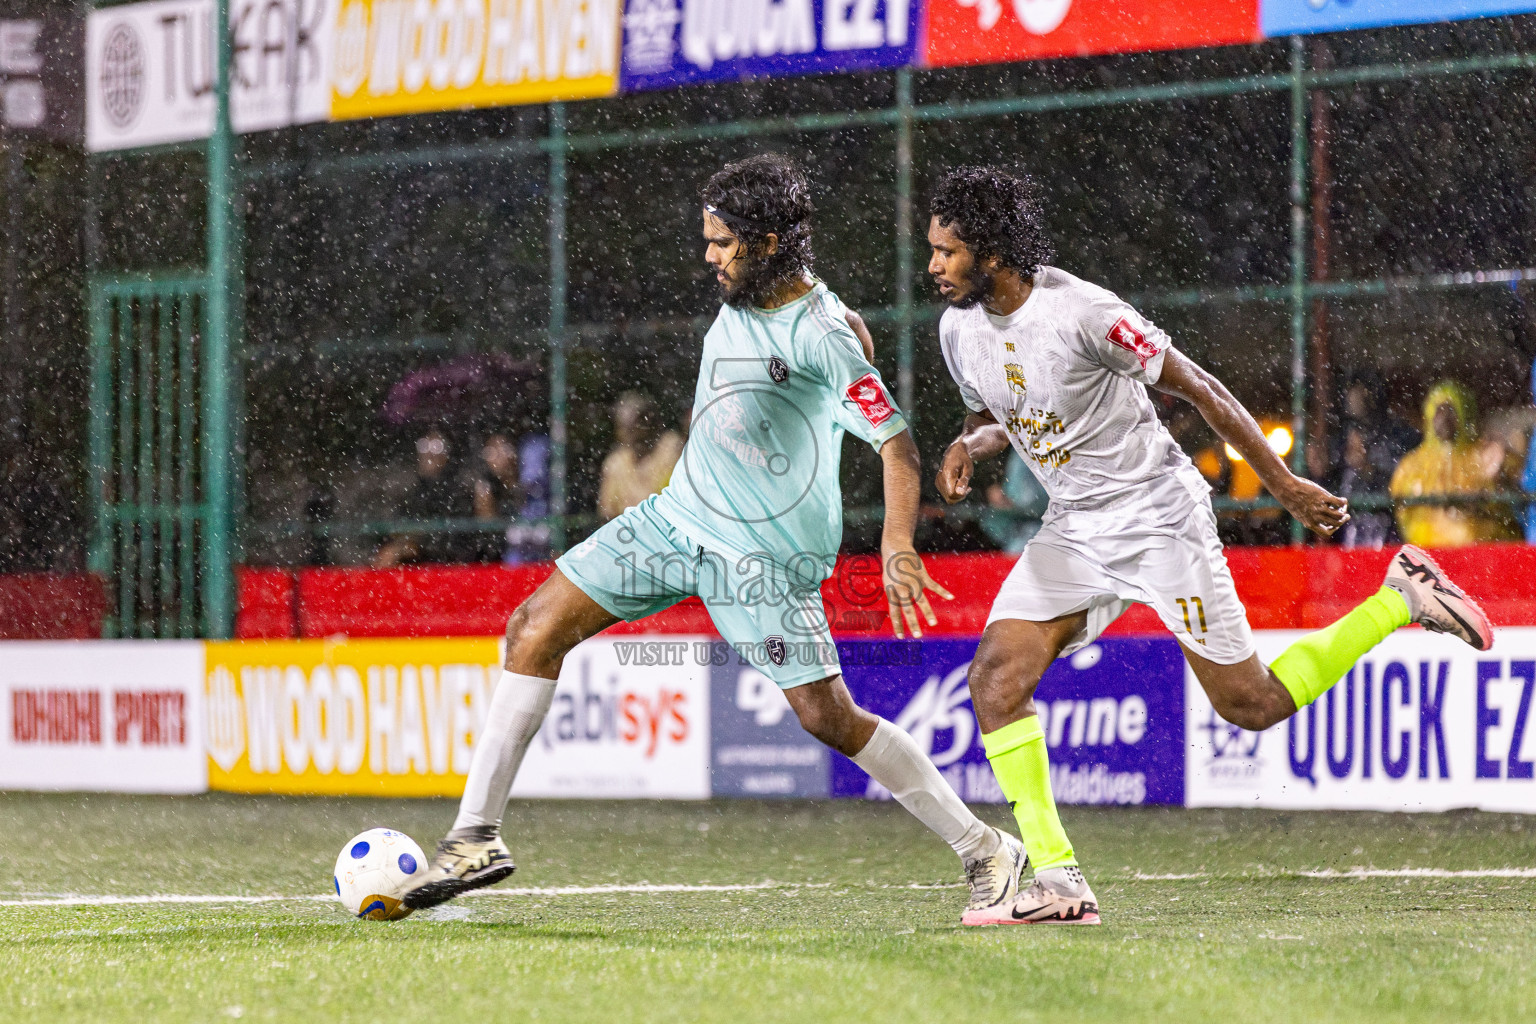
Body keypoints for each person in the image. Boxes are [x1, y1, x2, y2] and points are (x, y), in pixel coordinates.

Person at [403, 154, 1024, 925]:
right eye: (708, 238)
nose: (709, 255)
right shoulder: (747, 292)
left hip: (761, 558)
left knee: (827, 716)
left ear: (768, 243)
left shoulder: (823, 333)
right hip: (675, 520)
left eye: (723, 241)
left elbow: (896, 446)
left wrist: (898, 541)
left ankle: (986, 849)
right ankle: (474, 838)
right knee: (532, 629)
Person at [927, 165, 1491, 926]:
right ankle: (1058, 880)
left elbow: (1200, 387)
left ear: (992, 252)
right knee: (995, 682)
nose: (934, 266)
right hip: (1074, 526)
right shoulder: (958, 328)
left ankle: (1402, 599)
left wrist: (1283, 483)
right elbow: (1000, 413)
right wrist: (970, 446)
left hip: (1158, 516)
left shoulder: (1086, 313)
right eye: (933, 250)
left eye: (948, 251)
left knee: (1251, 705)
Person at [1390, 381, 1516, 548]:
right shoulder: (1412, 465)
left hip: (1478, 555)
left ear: (1464, 415)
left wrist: (1480, 504)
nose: (1444, 419)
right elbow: (1401, 509)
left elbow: (1505, 509)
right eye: (1439, 411)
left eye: (1451, 411)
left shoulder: (1484, 457)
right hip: (1428, 555)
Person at [373, 426, 472, 567]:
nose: (429, 454)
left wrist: (407, 549)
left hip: (442, 571)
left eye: (437, 447)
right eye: (424, 446)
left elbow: (451, 545)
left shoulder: (458, 495)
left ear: (448, 455)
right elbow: (394, 532)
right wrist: (393, 549)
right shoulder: (412, 494)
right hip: (414, 571)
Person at [596, 392, 684, 521]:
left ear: (648, 422)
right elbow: (607, 513)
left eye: (633, 425)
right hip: (629, 530)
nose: (626, 432)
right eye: (622, 427)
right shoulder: (615, 463)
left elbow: (678, 498)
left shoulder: (671, 448)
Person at [469, 433, 524, 562]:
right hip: (495, 560)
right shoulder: (485, 487)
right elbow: (488, 532)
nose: (498, 458)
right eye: (491, 452)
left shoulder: (527, 484)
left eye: (503, 449)